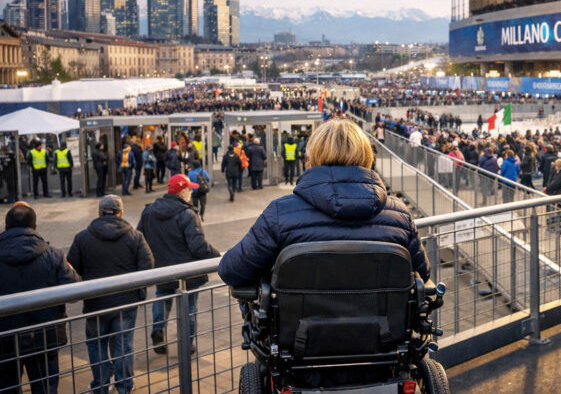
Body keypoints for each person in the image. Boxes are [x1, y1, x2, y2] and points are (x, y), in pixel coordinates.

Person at [219, 117, 430, 286]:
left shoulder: (280, 214)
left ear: (312, 158)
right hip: (384, 335)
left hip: (300, 336)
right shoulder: (399, 215)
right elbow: (423, 272)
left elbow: (231, 270)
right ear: (366, 157)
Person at [67, 195, 154, 394]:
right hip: (125, 303)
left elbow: (72, 269)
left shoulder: (83, 237)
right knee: (124, 345)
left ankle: (100, 385)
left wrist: (84, 290)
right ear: (121, 213)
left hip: (95, 303)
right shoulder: (135, 236)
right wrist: (139, 293)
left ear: (99, 213)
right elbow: (147, 265)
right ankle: (124, 386)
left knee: (96, 346)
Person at [0, 202, 80, 393]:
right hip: (45, 335)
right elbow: (74, 290)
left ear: (6, 227)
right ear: (35, 227)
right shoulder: (54, 255)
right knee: (45, 387)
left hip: (4, 338)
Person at [138, 174, 220, 355]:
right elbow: (198, 246)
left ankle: (158, 330)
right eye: (189, 189)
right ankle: (186, 344)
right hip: (187, 271)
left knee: (162, 298)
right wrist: (217, 256)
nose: (191, 192)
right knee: (189, 307)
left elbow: (140, 238)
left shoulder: (149, 211)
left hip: (161, 270)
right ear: (182, 191)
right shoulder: (187, 214)